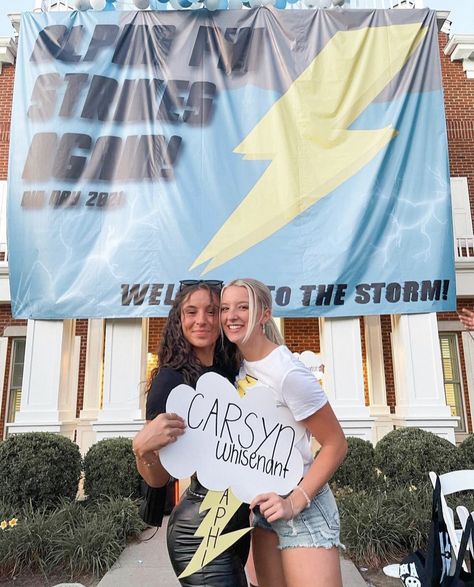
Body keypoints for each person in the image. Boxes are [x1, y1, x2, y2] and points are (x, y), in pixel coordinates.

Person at [220, 278, 348, 587]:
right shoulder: (239, 365)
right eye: (225, 308)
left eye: (243, 307)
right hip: (264, 509)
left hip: (302, 508)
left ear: (264, 314)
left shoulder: (288, 372)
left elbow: (336, 444)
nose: (231, 316)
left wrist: (295, 501)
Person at [133, 280, 250, 587]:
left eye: (212, 311)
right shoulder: (169, 382)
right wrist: (143, 450)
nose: (202, 320)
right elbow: (158, 479)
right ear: (179, 320)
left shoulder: (231, 371)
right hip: (198, 529)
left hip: (235, 521)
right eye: (191, 311)